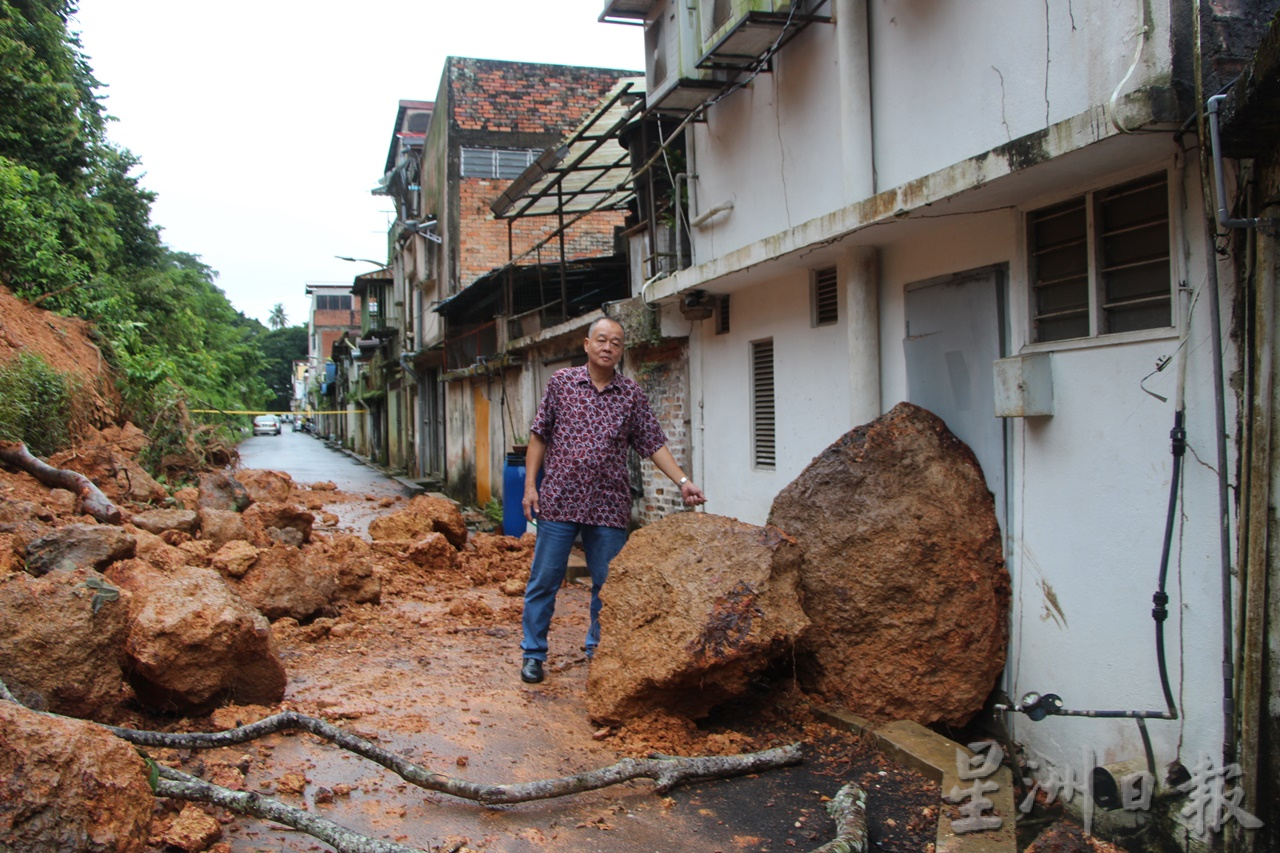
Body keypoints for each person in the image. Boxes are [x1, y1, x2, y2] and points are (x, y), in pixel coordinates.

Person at [519, 316, 706, 684]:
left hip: (608, 504)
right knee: (545, 579)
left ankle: (599, 651)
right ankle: (533, 654)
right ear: (587, 345)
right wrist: (530, 485)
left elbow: (653, 443)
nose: (608, 347)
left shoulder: (631, 395)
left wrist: (683, 481)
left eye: (616, 342)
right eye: (601, 340)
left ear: (621, 351)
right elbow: (539, 436)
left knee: (608, 583)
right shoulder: (562, 384)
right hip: (559, 499)